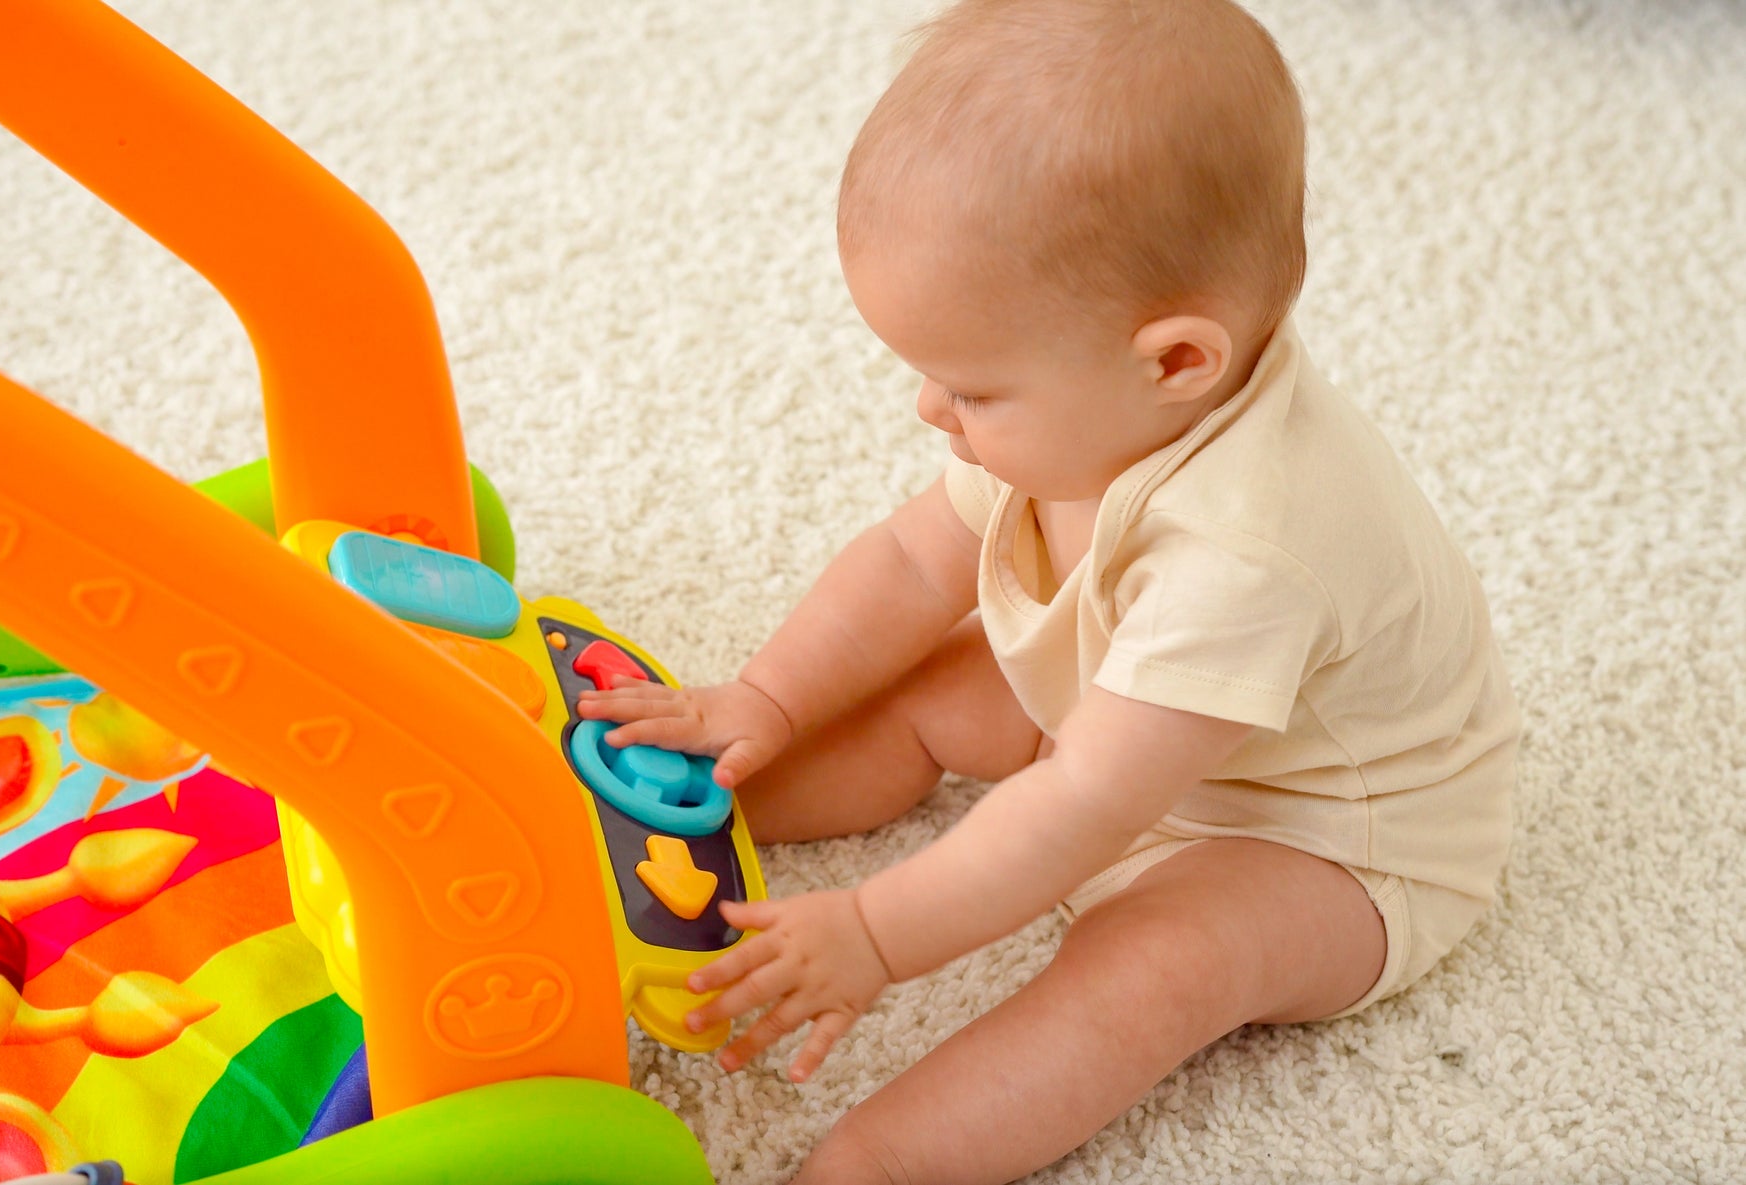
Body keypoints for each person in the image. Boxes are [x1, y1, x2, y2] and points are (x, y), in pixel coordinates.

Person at [579, 1, 1519, 1180]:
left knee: (1159, 959)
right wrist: (763, 699)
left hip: (1320, 835)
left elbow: (1083, 805)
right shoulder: (1104, 397)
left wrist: (873, 931)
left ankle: (874, 1166)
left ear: (1177, 361)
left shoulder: (1248, 552)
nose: (930, 409)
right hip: (1139, 710)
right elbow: (910, 561)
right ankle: (648, 834)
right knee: (928, 685)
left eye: (970, 389)